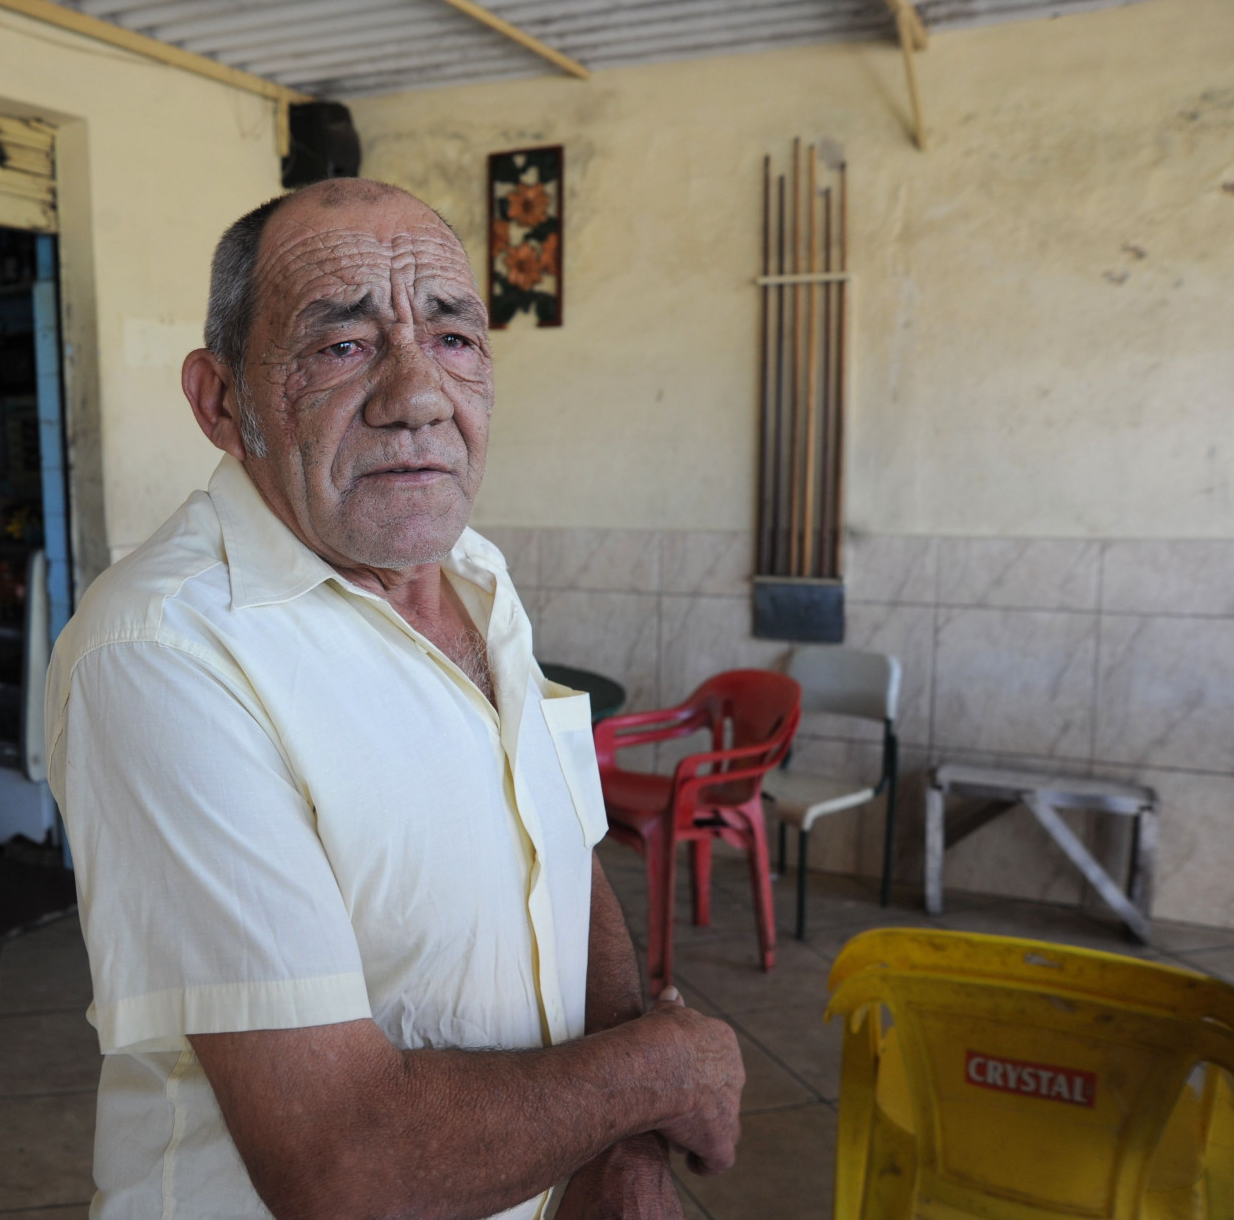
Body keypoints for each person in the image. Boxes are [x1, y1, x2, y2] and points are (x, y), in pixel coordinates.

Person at [45, 178, 744, 1220]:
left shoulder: (472, 572)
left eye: (453, 339)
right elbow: (344, 1168)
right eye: (341, 346)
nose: (419, 395)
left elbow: (558, 853)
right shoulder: (161, 650)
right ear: (221, 402)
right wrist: (663, 1071)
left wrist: (625, 1152)